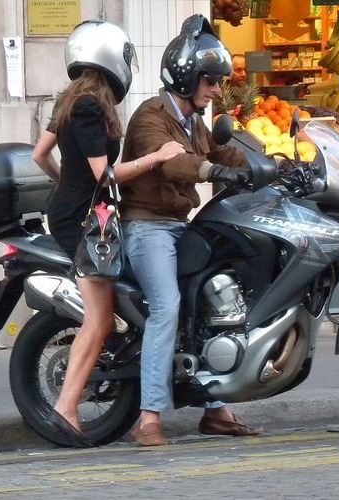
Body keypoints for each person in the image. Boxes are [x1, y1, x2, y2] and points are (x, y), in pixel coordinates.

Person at [32, 20, 185, 448]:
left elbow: (40, 154)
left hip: (77, 214)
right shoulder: (88, 107)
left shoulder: (70, 100)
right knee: (99, 319)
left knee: (105, 315)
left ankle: (69, 404)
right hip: (85, 222)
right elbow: (106, 175)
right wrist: (157, 157)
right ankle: (66, 407)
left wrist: (66, 185)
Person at [120, 14, 260, 447]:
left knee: (215, 304)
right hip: (148, 228)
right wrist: (212, 171)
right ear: (185, 77)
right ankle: (148, 418)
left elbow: (221, 151)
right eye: (210, 81)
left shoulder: (193, 121)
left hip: (181, 227)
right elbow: (174, 163)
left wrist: (268, 164)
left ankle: (215, 410)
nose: (216, 89)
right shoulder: (151, 117)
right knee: (167, 308)